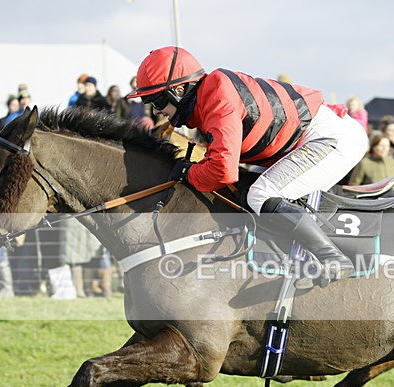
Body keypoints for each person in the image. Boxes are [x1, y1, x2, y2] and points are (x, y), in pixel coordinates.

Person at [127, 46, 368, 280]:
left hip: (330, 138)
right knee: (247, 191)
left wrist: (188, 174)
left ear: (179, 90)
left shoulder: (217, 96)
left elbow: (222, 170)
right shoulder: (207, 97)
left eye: (157, 101)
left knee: (261, 195)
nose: (156, 111)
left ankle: (333, 258)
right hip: (300, 140)